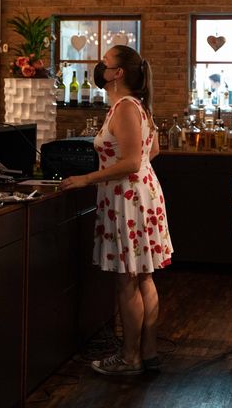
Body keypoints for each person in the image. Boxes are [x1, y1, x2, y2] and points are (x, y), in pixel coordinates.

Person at [60, 45, 173, 376]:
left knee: (127, 281)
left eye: (105, 62)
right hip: (142, 194)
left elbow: (131, 161)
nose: (100, 67)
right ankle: (148, 353)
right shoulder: (139, 105)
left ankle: (129, 358)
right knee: (144, 277)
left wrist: (87, 178)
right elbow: (152, 151)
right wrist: (133, 171)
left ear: (117, 73)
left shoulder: (124, 107)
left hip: (127, 200)